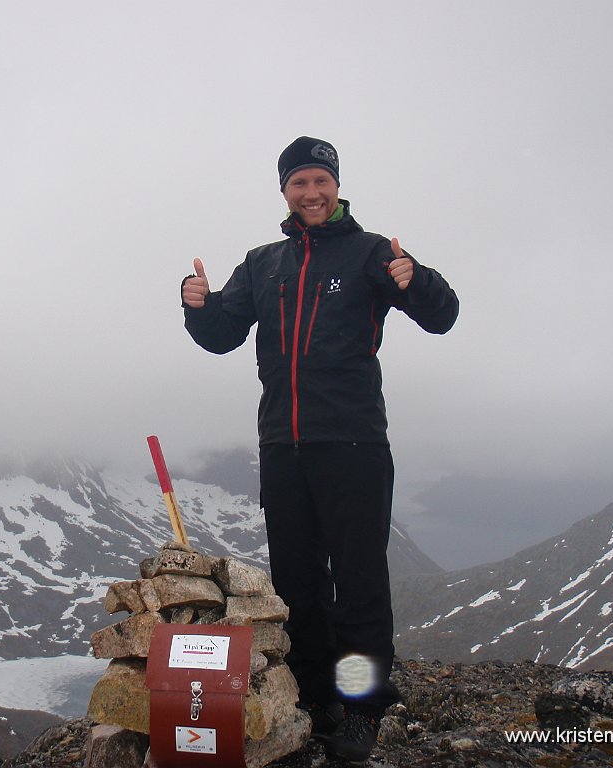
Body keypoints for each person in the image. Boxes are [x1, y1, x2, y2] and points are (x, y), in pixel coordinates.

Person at [180, 136, 458, 762]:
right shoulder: (262, 263)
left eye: (320, 182)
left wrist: (418, 281)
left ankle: (360, 708)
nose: (311, 193)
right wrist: (196, 305)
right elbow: (223, 334)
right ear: (284, 191)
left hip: (354, 444)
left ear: (336, 188)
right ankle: (315, 695)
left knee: (359, 583)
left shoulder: (370, 253)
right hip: (283, 446)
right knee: (298, 581)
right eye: (299, 183)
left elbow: (443, 315)